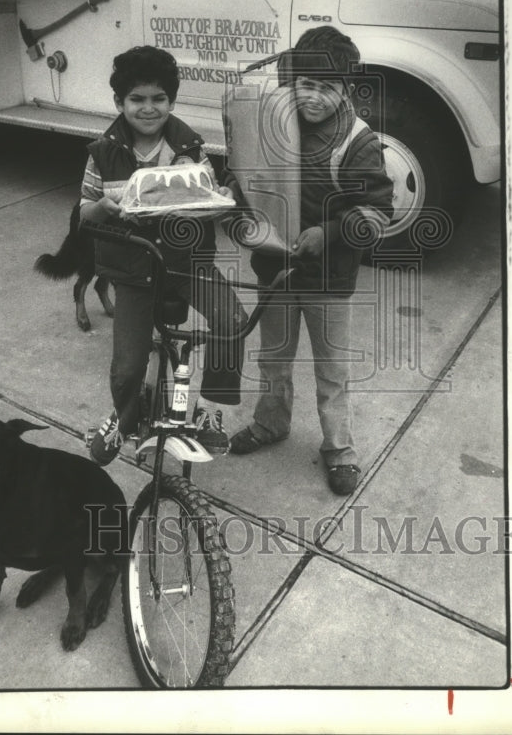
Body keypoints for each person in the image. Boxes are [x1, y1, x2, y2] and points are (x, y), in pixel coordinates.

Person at [226, 27, 394, 495]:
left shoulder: (357, 141)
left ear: (346, 90)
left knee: (331, 371)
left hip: (328, 277)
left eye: (328, 87)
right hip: (274, 270)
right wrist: (239, 211)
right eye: (306, 84)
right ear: (291, 79)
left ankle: (339, 448)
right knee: (274, 360)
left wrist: (330, 233)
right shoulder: (266, 118)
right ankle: (271, 424)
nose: (314, 96)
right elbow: (243, 177)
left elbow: (378, 212)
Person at [80, 45, 245, 465]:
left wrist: (223, 195)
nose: (148, 109)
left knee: (232, 321)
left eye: (159, 99)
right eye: (137, 99)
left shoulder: (190, 145)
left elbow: (211, 194)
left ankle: (209, 409)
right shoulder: (103, 151)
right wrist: (104, 209)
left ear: (171, 101)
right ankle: (124, 418)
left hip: (188, 262)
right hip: (133, 269)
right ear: (119, 102)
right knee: (127, 369)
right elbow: (84, 210)